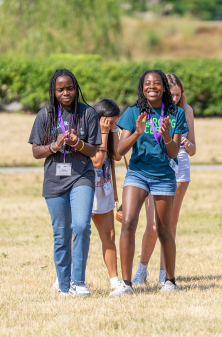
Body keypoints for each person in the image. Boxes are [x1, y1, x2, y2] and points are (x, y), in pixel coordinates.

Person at [109, 69, 189, 296]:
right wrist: (137, 132)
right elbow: (119, 151)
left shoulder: (176, 114)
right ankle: (125, 284)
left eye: (156, 83)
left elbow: (173, 153)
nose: (151, 87)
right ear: (142, 87)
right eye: (147, 83)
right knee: (128, 223)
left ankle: (170, 281)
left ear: (163, 86)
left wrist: (165, 136)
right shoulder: (133, 112)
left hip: (164, 175)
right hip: (137, 173)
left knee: (163, 229)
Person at [29, 68, 101, 297]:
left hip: (82, 176)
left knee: (81, 225)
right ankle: (63, 286)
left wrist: (77, 143)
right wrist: (54, 145)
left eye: (70, 88)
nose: (66, 93)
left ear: (75, 88)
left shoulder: (87, 113)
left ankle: (78, 282)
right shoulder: (45, 115)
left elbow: (93, 150)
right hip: (54, 181)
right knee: (61, 235)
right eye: (60, 89)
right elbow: (36, 152)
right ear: (54, 91)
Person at [132, 73, 196, 286]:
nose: (176, 98)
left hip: (180, 169)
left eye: (179, 94)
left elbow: (194, 149)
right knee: (153, 225)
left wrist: (187, 144)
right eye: (173, 94)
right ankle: (142, 268)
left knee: (170, 225)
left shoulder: (185, 111)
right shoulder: (152, 109)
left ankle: (165, 273)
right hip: (157, 168)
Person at [91, 99, 122, 293]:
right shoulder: (88, 133)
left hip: (104, 190)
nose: (111, 126)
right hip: (85, 190)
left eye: (114, 123)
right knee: (76, 236)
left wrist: (112, 132)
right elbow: (97, 161)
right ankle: (64, 279)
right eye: (109, 122)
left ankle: (115, 281)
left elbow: (117, 156)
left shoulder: (110, 134)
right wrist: (103, 132)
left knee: (109, 236)